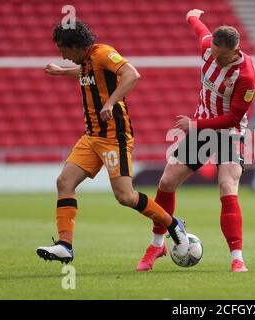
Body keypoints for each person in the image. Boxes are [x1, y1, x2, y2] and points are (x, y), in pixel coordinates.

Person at [36, 20, 189, 267]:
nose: (62, 54)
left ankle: (173, 224)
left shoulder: (103, 53)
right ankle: (65, 245)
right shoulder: (86, 62)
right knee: (64, 182)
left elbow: (131, 74)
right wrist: (62, 72)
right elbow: (87, 74)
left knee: (126, 196)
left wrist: (111, 103)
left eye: (63, 50)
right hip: (91, 137)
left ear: (75, 45)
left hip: (113, 137)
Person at [135, 9, 255, 273]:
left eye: (220, 56)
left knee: (227, 185)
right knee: (166, 182)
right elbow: (200, 29)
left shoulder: (245, 75)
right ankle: (157, 245)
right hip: (202, 131)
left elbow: (234, 118)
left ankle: (237, 257)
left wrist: (194, 124)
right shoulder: (208, 47)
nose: (214, 57)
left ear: (234, 52)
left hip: (229, 134)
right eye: (212, 51)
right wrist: (193, 15)